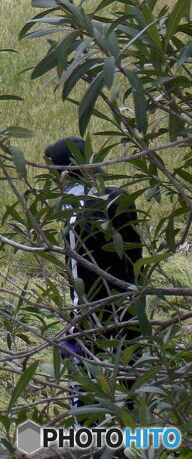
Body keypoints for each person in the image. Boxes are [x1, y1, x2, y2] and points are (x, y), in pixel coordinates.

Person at [44, 137, 143, 406]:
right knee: (135, 380)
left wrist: (76, 327)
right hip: (129, 303)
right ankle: (141, 440)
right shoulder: (117, 196)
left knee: (86, 388)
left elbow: (80, 273)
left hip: (93, 313)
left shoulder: (73, 212)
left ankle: (91, 443)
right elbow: (134, 255)